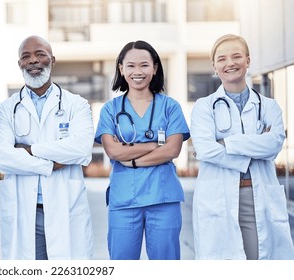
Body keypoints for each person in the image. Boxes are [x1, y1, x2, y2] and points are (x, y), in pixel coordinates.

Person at [0, 35, 94, 260]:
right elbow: (1, 157)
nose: (33, 61)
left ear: (52, 60)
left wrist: (30, 150)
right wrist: (50, 165)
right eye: (26, 57)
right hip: (25, 210)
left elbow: (81, 149)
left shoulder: (76, 105)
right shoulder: (6, 110)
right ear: (20, 64)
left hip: (65, 205)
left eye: (40, 55)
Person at [190, 34, 294, 259]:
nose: (230, 63)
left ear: (247, 61)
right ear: (215, 67)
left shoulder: (268, 106)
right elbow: (205, 149)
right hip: (218, 198)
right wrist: (254, 146)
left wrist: (226, 142)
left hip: (258, 196)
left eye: (237, 56)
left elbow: (274, 144)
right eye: (222, 59)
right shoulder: (204, 107)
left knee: (259, 262)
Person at [95, 40, 190, 260]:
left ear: (155, 68)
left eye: (144, 65)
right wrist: (154, 144)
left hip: (163, 199)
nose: (138, 71)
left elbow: (173, 150)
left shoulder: (170, 106)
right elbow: (114, 152)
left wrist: (134, 160)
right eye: (131, 65)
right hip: (124, 201)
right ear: (121, 68)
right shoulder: (110, 109)